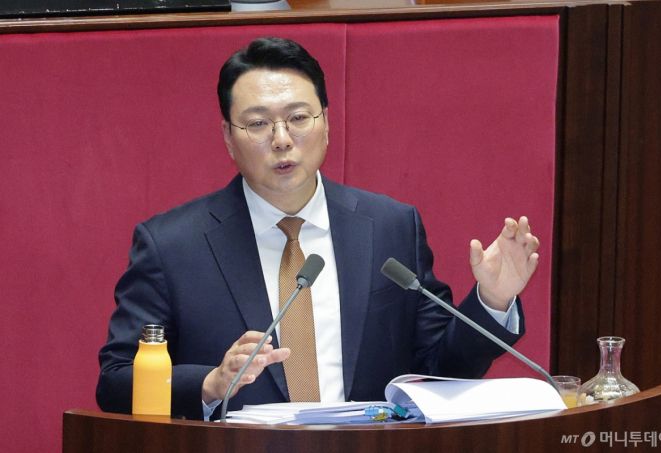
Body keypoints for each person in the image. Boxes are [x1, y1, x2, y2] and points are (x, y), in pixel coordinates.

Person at [97, 37, 540, 421]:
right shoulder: (173, 246)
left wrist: (492, 301)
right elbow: (116, 381)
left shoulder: (390, 227)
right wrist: (211, 383)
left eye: (298, 117)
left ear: (326, 122)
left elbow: (440, 370)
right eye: (258, 123)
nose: (281, 139)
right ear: (228, 137)